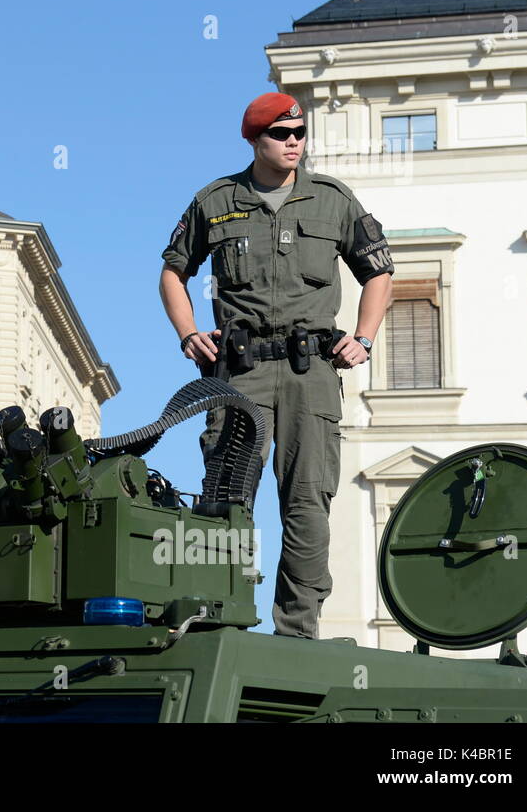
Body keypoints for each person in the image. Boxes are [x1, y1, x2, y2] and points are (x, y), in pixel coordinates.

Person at [158, 92, 394, 639]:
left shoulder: (333, 200)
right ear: (254, 140)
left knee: (308, 501)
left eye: (300, 133)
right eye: (281, 134)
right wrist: (188, 334)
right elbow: (173, 271)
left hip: (310, 372)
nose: (294, 143)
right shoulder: (216, 200)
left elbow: (379, 271)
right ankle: (221, 624)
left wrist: (364, 338)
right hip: (239, 374)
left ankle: (296, 632)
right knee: (226, 498)